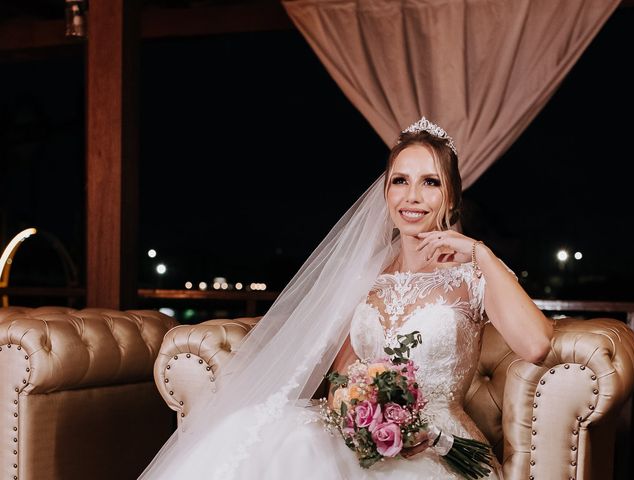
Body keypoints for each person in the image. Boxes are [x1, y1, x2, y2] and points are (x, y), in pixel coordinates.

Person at [139, 117, 553, 479]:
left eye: (430, 182)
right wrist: (362, 420)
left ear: (451, 195)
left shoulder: (473, 275)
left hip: (438, 445)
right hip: (365, 438)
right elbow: (344, 379)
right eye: (400, 181)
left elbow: (535, 345)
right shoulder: (366, 277)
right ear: (386, 192)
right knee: (267, 431)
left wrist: (480, 252)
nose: (412, 196)